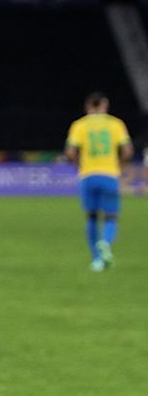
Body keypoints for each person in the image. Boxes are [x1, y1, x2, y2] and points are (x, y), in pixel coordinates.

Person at [65, 92, 132, 271]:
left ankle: (96, 259)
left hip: (88, 175)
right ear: (105, 105)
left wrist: (80, 166)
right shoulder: (116, 124)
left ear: (87, 106)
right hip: (109, 174)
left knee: (92, 217)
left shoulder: (79, 125)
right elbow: (127, 151)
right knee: (111, 216)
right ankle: (106, 242)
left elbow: (70, 152)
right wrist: (119, 166)